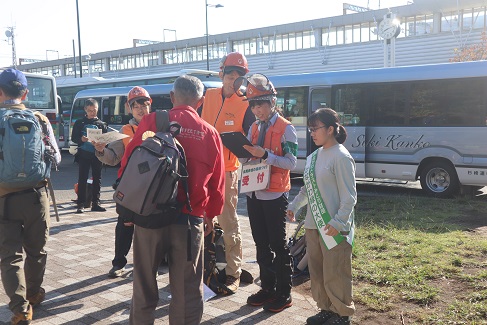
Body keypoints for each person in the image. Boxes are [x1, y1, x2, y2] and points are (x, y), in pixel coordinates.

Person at [119, 75, 225, 325]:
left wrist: (129, 208)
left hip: (149, 218)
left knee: (144, 286)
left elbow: (129, 163)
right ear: (200, 101)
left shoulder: (153, 120)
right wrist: (211, 214)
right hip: (189, 220)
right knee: (187, 290)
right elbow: (218, 183)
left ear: (172, 96)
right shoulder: (209, 132)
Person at [0, 68, 61, 325]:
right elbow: (56, 157)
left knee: (10, 256)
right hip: (37, 196)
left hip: (3, 199)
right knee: (37, 250)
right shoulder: (40, 119)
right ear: (25, 92)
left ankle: (21, 309)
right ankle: (34, 294)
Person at [287, 108, 357, 325]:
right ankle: (325, 308)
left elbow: (349, 196)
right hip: (313, 225)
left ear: (330, 129)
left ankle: (342, 314)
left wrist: (338, 222)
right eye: (310, 129)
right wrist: (294, 206)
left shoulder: (342, 157)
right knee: (317, 271)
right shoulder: (313, 157)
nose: (312, 133)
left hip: (334, 226)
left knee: (336, 271)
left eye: (315, 128)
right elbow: (307, 190)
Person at [236, 73, 298, 312]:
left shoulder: (286, 128)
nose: (255, 109)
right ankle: (268, 287)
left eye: (259, 103)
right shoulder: (253, 126)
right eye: (252, 105)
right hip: (253, 192)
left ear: (272, 101)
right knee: (261, 243)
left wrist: (265, 155)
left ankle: (284, 292)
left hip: (274, 194)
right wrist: (241, 152)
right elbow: (249, 156)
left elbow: (291, 163)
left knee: (278, 244)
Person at [200, 51, 255, 293]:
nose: (233, 79)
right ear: (222, 73)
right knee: (202, 221)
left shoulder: (245, 104)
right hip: (203, 170)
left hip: (227, 173)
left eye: (239, 75)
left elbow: (252, 141)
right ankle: (206, 268)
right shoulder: (208, 96)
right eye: (230, 73)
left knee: (229, 223)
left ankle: (233, 272)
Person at [93, 86, 151, 278]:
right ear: (129, 108)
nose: (141, 109)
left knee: (151, 227)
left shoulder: (159, 126)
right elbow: (113, 157)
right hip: (129, 185)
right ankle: (119, 263)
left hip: (153, 185)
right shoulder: (125, 131)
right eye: (136, 105)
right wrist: (101, 150)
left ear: (150, 104)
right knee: (125, 225)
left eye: (144, 104)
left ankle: (151, 263)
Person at [71, 98, 108, 213]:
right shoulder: (79, 123)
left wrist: (102, 142)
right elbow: (74, 138)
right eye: (90, 110)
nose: (92, 112)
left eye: (94, 110)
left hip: (97, 155)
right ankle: (81, 203)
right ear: (85, 110)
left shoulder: (102, 124)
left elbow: (106, 140)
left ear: (98, 109)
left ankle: (95, 203)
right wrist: (81, 139)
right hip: (83, 154)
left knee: (97, 178)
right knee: (82, 178)